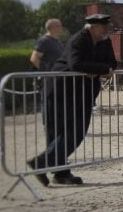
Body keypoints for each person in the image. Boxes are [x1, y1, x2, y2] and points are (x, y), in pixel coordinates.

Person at [28, 13, 117, 186]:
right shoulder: (78, 40)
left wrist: (98, 70)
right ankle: (61, 174)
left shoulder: (105, 41)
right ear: (93, 27)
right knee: (57, 134)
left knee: (76, 133)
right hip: (60, 91)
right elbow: (76, 64)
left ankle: (41, 163)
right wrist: (101, 69)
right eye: (103, 27)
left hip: (83, 93)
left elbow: (112, 63)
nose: (107, 30)